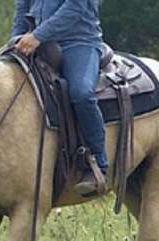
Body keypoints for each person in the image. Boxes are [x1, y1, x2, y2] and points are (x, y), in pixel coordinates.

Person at [12, 0, 108, 195]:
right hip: (36, 41)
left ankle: (99, 163)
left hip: (78, 42)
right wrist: (16, 39)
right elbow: (22, 7)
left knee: (81, 94)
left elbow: (75, 7)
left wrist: (38, 36)